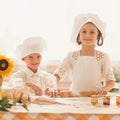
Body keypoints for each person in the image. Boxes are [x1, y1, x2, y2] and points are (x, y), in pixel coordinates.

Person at [54, 13, 115, 97]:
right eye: (84, 31)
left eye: (92, 32)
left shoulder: (103, 57)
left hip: (95, 98)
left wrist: (105, 89)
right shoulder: (71, 56)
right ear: (78, 35)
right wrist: (52, 86)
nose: (87, 35)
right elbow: (58, 74)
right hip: (74, 98)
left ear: (98, 35)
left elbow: (110, 80)